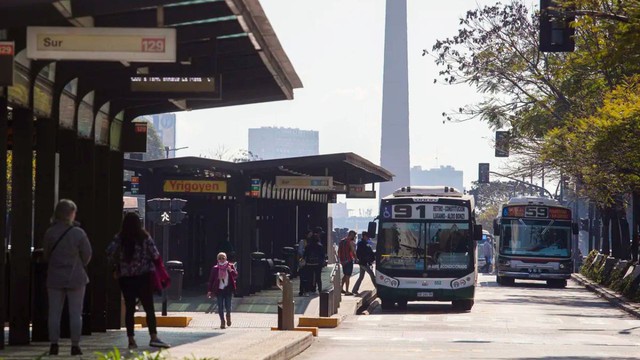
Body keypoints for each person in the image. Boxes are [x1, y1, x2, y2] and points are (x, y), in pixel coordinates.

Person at [107, 212, 170, 350]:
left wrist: (117, 268)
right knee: (149, 308)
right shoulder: (144, 237)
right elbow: (155, 255)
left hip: (125, 278)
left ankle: (131, 340)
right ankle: (153, 337)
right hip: (144, 277)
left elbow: (110, 253)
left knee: (129, 308)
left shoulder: (120, 238)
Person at [43, 199, 92, 356]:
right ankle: (75, 345)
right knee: (76, 313)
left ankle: (54, 344)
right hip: (76, 276)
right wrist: (79, 264)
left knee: (54, 312)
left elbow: (46, 254)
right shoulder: (78, 233)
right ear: (71, 214)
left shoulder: (50, 232)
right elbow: (87, 254)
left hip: (55, 277)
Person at [207, 252, 238, 329]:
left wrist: (231, 270)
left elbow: (236, 275)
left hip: (228, 289)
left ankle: (228, 316)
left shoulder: (230, 266)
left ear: (226, 258)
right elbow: (211, 280)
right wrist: (209, 291)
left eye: (223, 258)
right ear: (217, 259)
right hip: (219, 290)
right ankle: (222, 321)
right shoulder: (215, 268)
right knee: (220, 307)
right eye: (219, 258)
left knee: (228, 306)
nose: (221, 259)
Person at [338, 230, 358, 295]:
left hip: (343, 261)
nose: (354, 237)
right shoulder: (349, 242)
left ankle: (341, 288)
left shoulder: (341, 241)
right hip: (349, 260)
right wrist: (356, 259)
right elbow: (352, 251)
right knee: (347, 276)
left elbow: (338, 251)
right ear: (351, 235)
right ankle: (347, 291)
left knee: (345, 275)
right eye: (354, 236)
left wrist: (340, 260)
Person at [297, 230, 312, 296]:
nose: (310, 236)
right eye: (309, 234)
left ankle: (306, 290)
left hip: (309, 262)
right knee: (303, 277)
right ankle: (302, 290)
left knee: (308, 277)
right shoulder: (303, 241)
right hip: (304, 261)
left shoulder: (311, 242)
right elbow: (300, 251)